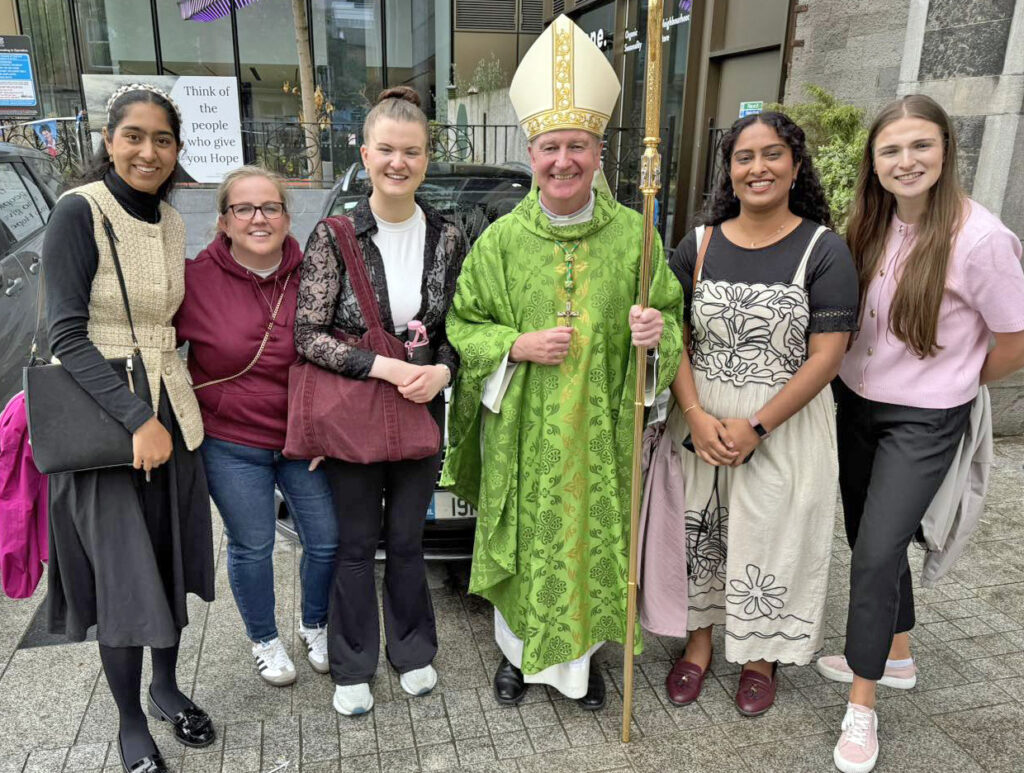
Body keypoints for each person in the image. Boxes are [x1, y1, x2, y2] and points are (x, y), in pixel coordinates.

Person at [442, 15, 684, 710]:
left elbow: (669, 317)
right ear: (531, 151)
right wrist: (514, 345)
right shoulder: (500, 242)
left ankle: (581, 666)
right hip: (523, 433)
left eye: (577, 145)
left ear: (598, 151)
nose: (563, 161)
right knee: (525, 543)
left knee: (587, 546)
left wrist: (652, 333)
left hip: (600, 436)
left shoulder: (638, 238)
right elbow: (464, 322)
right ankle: (516, 659)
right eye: (551, 147)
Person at [816, 95, 1024, 773]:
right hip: (855, 403)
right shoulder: (867, 226)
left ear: (946, 150)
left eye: (920, 146)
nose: (906, 161)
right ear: (873, 162)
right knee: (868, 537)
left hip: (924, 418)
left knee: (875, 554)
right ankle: (896, 653)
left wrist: (958, 381)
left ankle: (862, 704)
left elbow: (1016, 338)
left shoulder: (981, 237)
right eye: (891, 149)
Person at [42, 84, 215, 773]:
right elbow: (64, 333)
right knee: (125, 582)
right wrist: (137, 416)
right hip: (107, 424)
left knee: (167, 564)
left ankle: (167, 686)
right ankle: (127, 723)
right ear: (108, 141)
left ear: (177, 149)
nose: (148, 151)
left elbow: (171, 322)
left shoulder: (172, 222)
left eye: (163, 139)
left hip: (171, 413)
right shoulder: (76, 212)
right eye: (134, 136)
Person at [665, 112, 859, 717]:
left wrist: (756, 425)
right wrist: (695, 414)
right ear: (729, 171)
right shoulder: (697, 246)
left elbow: (828, 356)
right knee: (701, 534)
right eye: (744, 157)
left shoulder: (824, 250)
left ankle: (761, 654)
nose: (758, 168)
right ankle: (698, 640)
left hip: (785, 426)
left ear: (796, 166)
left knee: (772, 536)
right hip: (699, 419)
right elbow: (672, 336)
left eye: (772, 155)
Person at [294, 86, 466, 716]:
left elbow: (460, 330)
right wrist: (386, 366)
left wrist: (443, 373)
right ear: (365, 153)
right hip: (355, 417)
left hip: (420, 408)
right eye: (387, 149)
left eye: (412, 151)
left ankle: (414, 650)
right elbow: (306, 335)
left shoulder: (449, 235)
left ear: (427, 158)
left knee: (408, 538)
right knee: (355, 543)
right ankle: (352, 662)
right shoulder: (335, 234)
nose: (399, 162)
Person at [173, 166, 339, 687]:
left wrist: (325, 428)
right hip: (230, 441)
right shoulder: (193, 278)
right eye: (243, 209)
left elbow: (338, 353)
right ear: (223, 221)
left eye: (270, 207)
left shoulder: (316, 272)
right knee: (252, 545)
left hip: (301, 439)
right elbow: (150, 339)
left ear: (289, 216)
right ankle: (264, 639)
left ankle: (315, 623)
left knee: (327, 540)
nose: (258, 218)